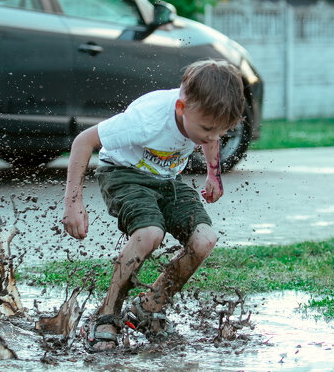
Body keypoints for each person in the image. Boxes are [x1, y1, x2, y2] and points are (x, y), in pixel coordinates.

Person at [62, 59, 245, 352]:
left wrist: (214, 174)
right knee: (149, 233)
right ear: (181, 108)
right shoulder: (147, 119)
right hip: (123, 173)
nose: (212, 137)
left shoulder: (203, 119)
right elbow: (83, 142)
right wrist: (73, 204)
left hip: (166, 179)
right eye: (208, 129)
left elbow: (211, 137)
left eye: (219, 132)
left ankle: (149, 307)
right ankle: (106, 314)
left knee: (204, 238)